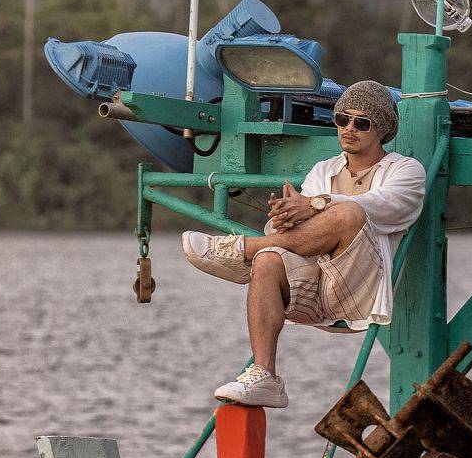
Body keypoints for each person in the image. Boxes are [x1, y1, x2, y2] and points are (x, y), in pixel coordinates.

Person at [180, 80, 426, 408]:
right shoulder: (323, 170)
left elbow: (378, 206)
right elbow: (304, 232)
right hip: (313, 291)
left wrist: (314, 204)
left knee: (350, 213)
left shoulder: (406, 171)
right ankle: (264, 376)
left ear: (381, 129)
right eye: (342, 119)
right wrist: (286, 219)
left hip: (361, 291)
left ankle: (243, 250)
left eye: (362, 123)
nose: (349, 128)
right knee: (269, 257)